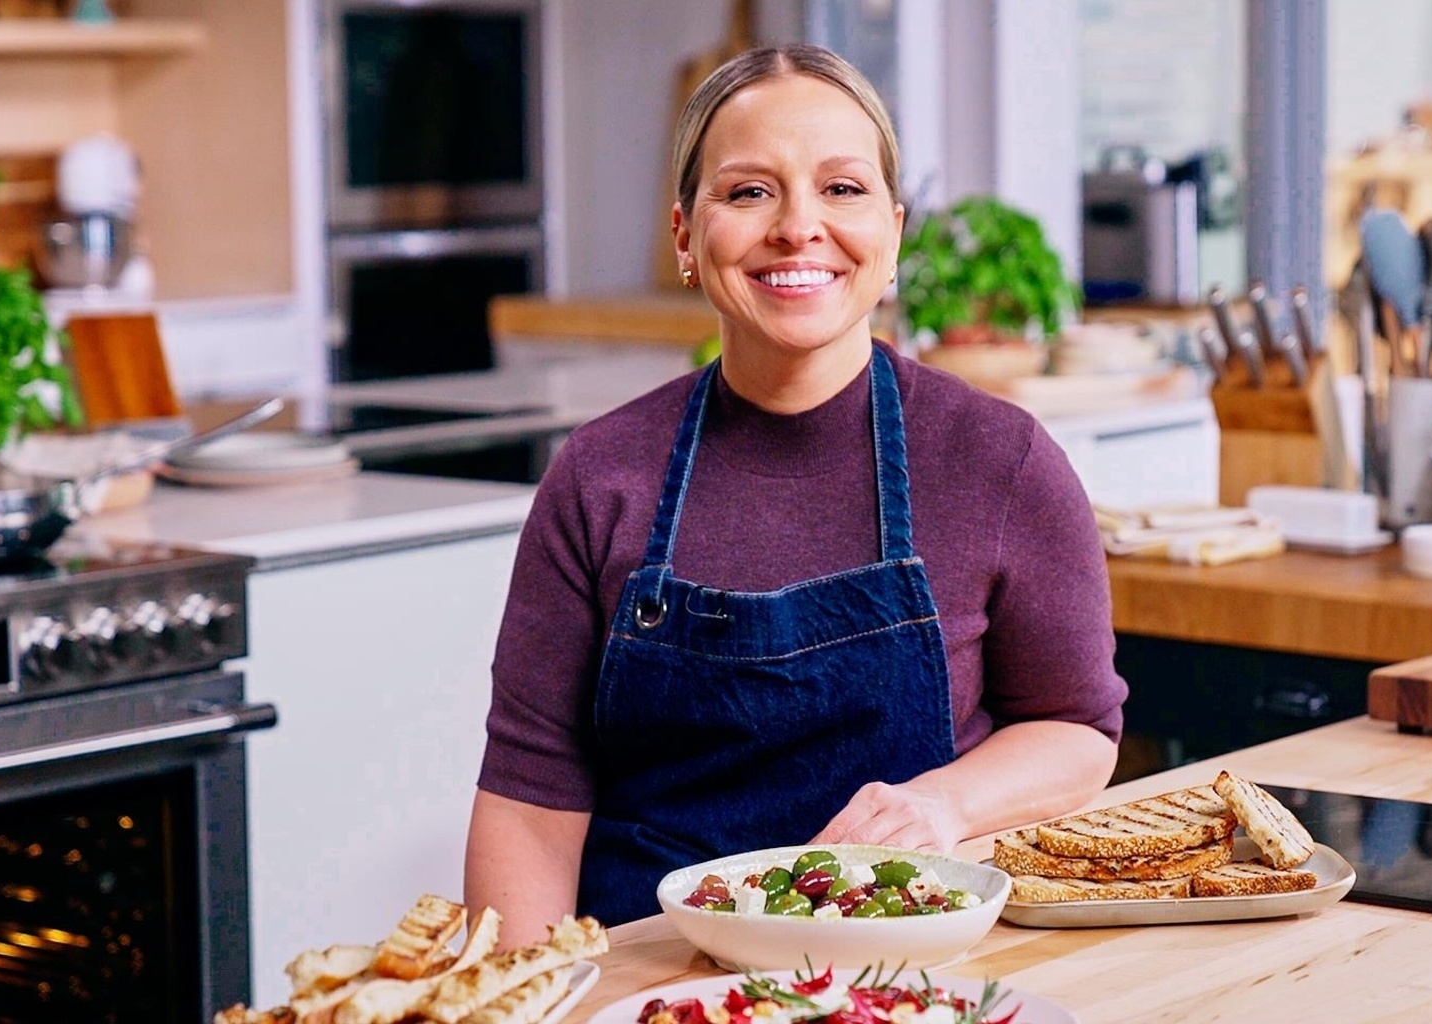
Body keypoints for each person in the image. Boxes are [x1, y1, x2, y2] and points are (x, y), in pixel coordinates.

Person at [465, 43, 1127, 943]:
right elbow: (530, 799)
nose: (797, 227)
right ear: (685, 236)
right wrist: (521, 1000)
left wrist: (937, 808)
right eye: (747, 192)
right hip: (651, 976)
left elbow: (1078, 728)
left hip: (912, 970)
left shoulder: (999, 460)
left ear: (893, 233)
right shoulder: (598, 476)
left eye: (842, 189)